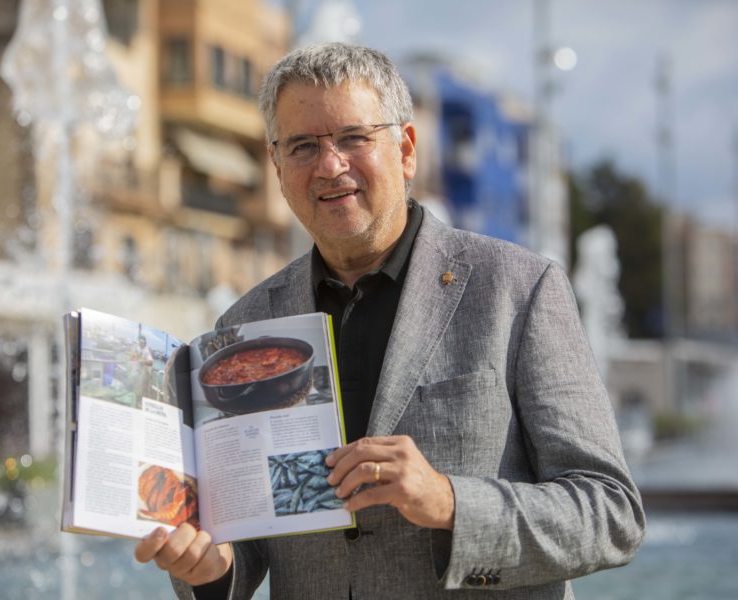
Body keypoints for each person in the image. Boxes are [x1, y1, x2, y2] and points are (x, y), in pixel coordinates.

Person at [134, 42, 644, 599]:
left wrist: (449, 502)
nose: (330, 165)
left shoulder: (519, 289)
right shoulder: (246, 323)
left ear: (405, 149)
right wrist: (212, 568)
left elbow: (610, 514)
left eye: (354, 137)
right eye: (303, 146)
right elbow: (248, 536)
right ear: (277, 167)